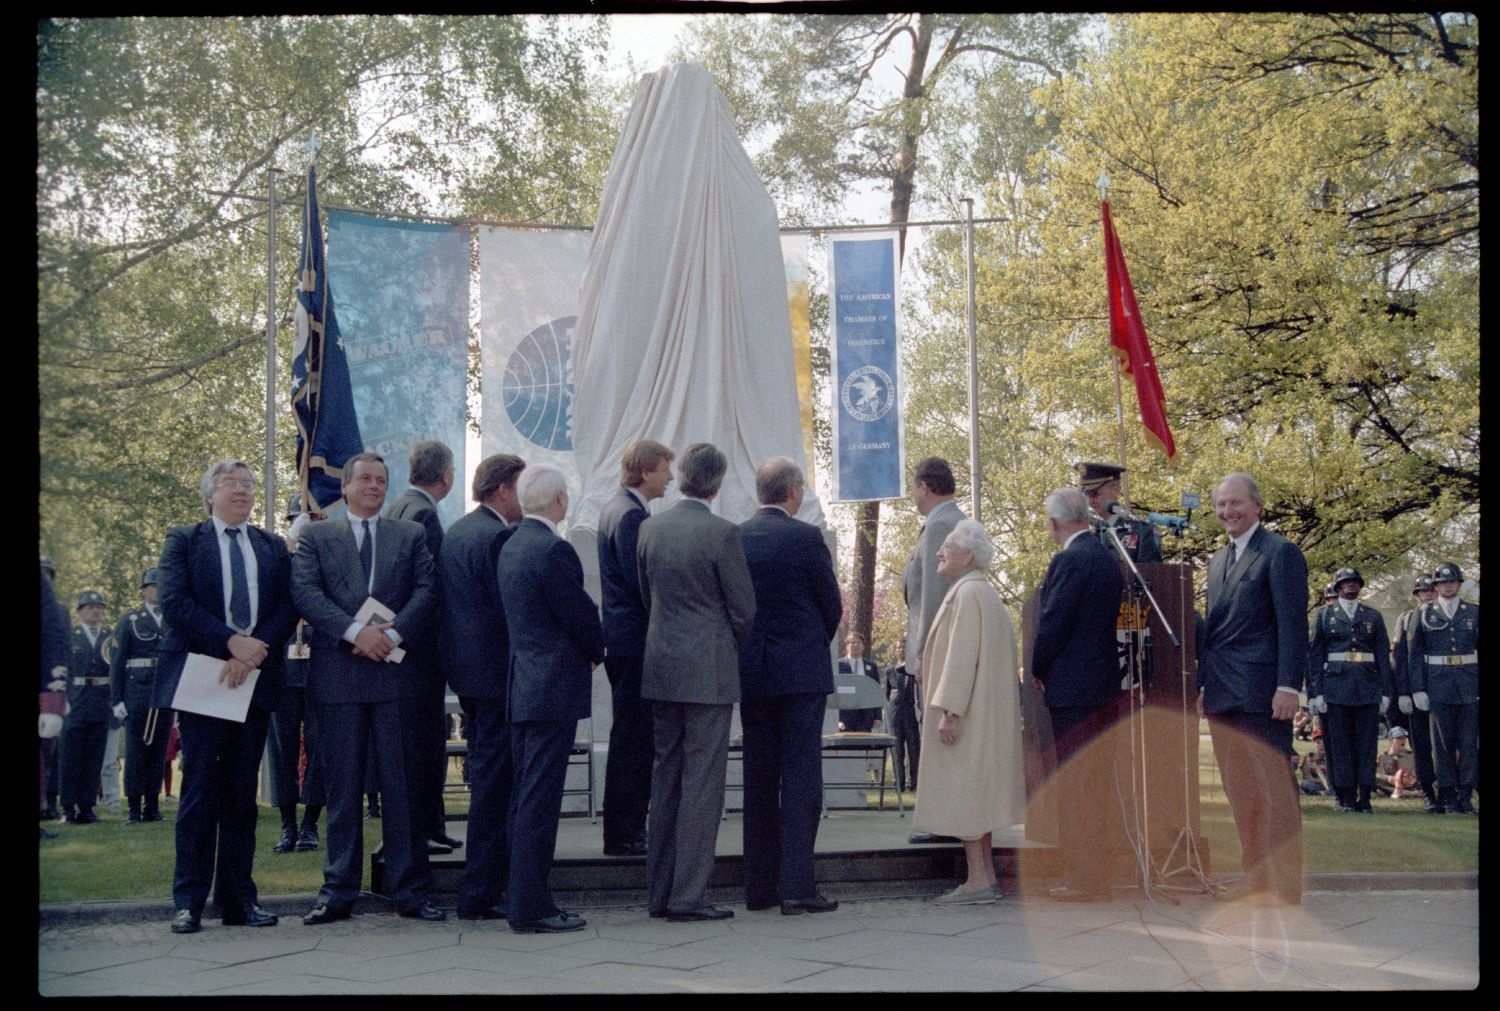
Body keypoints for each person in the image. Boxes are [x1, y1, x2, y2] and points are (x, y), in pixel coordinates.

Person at [292, 452, 444, 924]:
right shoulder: (316, 536)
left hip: (396, 678)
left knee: (402, 790)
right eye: (366, 480)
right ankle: (337, 890)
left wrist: (392, 634)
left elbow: (427, 589)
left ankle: (409, 890)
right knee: (342, 791)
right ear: (346, 487)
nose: (375, 487)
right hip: (339, 678)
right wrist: (357, 633)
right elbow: (306, 593)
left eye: (382, 480)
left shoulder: (411, 534)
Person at [155, 459, 296, 933]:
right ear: (209, 495)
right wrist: (229, 642)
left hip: (252, 680)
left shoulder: (271, 546)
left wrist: (253, 652)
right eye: (230, 484)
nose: (241, 491)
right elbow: (175, 603)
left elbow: (287, 606)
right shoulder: (184, 541)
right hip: (203, 680)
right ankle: (188, 902)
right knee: (198, 793)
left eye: (249, 484)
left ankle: (239, 900)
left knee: (241, 797)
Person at [638, 442, 756, 922]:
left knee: (665, 779)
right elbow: (744, 609)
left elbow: (646, 595)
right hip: (708, 670)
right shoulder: (723, 533)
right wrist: (721, 641)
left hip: (662, 665)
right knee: (703, 783)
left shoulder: (649, 527)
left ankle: (659, 892)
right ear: (718, 480)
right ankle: (689, 895)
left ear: (682, 475)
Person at [496, 463, 603, 934]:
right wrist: (597, 650)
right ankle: (531, 905)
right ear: (559, 500)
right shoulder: (553, 550)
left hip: (524, 684)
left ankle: (523, 897)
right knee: (540, 800)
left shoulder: (511, 544)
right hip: (552, 687)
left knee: (526, 797)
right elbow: (578, 613)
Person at [1198, 472, 1309, 906]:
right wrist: (1205, 684)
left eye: (1236, 502)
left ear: (1257, 506)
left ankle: (1285, 885)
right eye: (1221, 504)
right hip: (1224, 694)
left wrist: (1288, 686)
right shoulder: (1217, 561)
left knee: (1275, 791)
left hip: (1264, 695)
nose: (1228, 511)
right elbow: (1215, 634)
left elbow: (1291, 625)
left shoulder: (1280, 553)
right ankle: (1255, 879)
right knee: (1241, 795)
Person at [738, 458, 843, 915]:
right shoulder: (805, 537)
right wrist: (808, 641)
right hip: (800, 672)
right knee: (801, 776)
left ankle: (759, 887)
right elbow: (831, 604)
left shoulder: (737, 536)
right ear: (794, 492)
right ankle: (797, 887)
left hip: (754, 671)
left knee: (758, 776)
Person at [912, 519, 1026, 904]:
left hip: (967, 716)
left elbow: (962, 659)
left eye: (948, 547)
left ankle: (978, 880)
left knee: (965, 795)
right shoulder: (983, 594)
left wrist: (950, 711)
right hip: (981, 715)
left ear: (969, 556)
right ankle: (985, 875)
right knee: (977, 797)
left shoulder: (967, 595)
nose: (940, 552)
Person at [439, 453, 525, 921]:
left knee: (488, 779)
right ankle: (481, 890)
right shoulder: (496, 536)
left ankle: (484, 886)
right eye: (521, 488)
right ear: (502, 490)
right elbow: (505, 609)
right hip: (495, 678)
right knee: (494, 785)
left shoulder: (459, 529)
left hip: (471, 675)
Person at [1031, 486, 1125, 902]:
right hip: (1104, 685)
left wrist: (1036, 668)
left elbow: (1053, 622)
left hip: (1071, 688)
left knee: (1074, 784)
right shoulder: (1108, 559)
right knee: (1097, 782)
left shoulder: (1068, 560)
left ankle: (1080, 876)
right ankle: (1097, 874)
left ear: (1054, 522)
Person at [383, 440, 462, 855]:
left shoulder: (396, 508)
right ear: (446, 476)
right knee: (424, 743)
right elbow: (429, 589)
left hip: (401, 646)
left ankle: (431, 824)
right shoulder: (424, 516)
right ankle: (424, 828)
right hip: (419, 650)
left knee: (421, 743)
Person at [596, 439, 674, 858]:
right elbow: (639, 584)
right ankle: (625, 832)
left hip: (624, 642)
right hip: (634, 644)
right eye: (664, 468)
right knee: (634, 740)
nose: (671, 477)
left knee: (631, 735)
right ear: (645, 471)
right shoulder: (630, 516)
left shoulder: (618, 509)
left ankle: (624, 828)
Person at [904, 456, 966, 845]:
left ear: (925, 487)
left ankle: (945, 820)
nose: (912, 496)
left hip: (935, 648)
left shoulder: (942, 524)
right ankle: (945, 817)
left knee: (938, 737)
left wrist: (925, 651)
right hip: (937, 647)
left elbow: (932, 595)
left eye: (914, 488)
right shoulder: (945, 522)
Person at [1307, 567, 1392, 813]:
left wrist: (1385, 691)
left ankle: (1364, 796)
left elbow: (1382, 657)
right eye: (1346, 583)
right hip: (1335, 686)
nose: (1351, 586)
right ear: (1337, 587)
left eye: (1355, 582)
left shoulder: (1373, 616)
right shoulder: (1324, 616)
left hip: (1366, 686)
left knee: (1366, 744)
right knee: (1339, 744)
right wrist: (1316, 693)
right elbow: (1315, 656)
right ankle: (1343, 796)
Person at [267, 496, 325, 854]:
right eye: (299, 519)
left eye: (313, 518)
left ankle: (310, 824)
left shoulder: (328, 556)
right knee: (282, 748)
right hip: (285, 666)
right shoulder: (279, 560)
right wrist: (290, 550)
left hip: (320, 663)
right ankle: (287, 824)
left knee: (320, 748)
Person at [1407, 562, 1479, 815]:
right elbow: (1414, 656)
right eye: (1442, 582)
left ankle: (1466, 794)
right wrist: (1418, 689)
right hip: (1437, 684)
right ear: (1436, 586)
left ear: (1459, 583)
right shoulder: (1424, 613)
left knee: (1469, 742)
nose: (1447, 586)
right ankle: (1447, 794)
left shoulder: (1473, 612)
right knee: (1442, 744)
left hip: (1468, 684)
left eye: (1451, 581)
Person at [108, 568, 170, 824]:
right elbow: (116, 663)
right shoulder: (129, 619)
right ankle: (134, 807)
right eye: (152, 586)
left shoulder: (172, 618)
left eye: (160, 585)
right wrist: (117, 700)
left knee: (158, 750)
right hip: (137, 692)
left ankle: (152, 806)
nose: (156, 590)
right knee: (136, 751)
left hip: (164, 690)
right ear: (143, 590)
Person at [1391, 576, 1442, 812]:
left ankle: (1449, 790)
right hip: (1415, 691)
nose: (1429, 595)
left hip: (1443, 689)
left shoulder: (1446, 618)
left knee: (1446, 744)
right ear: (1416, 595)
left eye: (1432, 591)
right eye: (1424, 592)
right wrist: (1403, 692)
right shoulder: (1406, 619)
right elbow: (1400, 660)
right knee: (1421, 745)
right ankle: (1429, 792)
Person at [61, 590, 112, 825]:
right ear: (79, 611)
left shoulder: (111, 637)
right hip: (76, 700)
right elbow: (62, 670)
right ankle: (69, 808)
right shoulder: (70, 635)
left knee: (94, 757)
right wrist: (64, 700)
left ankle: (88, 807)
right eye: (90, 607)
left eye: (99, 607)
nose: (95, 610)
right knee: (71, 756)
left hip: (100, 701)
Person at [1074, 461, 1162, 563]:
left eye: (1094, 494)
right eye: (1086, 494)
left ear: (1116, 490)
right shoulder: (1087, 533)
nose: (1090, 501)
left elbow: (1152, 574)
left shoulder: (1142, 530)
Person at [882, 639, 921, 793]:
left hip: (911, 715)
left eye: (903, 647)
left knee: (914, 750)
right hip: (895, 715)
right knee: (898, 752)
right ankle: (899, 783)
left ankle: (915, 783)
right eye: (898, 647)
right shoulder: (889, 671)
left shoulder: (913, 670)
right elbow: (885, 694)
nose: (901, 650)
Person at [836, 633, 883, 733]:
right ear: (847, 646)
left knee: (864, 745)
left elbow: (876, 692)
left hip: (866, 717)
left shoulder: (871, 667)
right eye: (852, 642)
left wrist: (877, 716)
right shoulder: (838, 665)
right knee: (846, 746)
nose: (856, 645)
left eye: (858, 642)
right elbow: (835, 692)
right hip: (845, 717)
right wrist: (836, 718)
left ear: (863, 646)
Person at [1376, 726, 1418, 799]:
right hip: (1389, 784)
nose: (1403, 741)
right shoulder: (1383, 756)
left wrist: (1410, 779)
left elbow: (1417, 773)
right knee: (1373, 782)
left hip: (1408, 785)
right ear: (1391, 740)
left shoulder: (1411, 756)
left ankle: (1396, 793)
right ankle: (1406, 793)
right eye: (1399, 738)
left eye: (1404, 738)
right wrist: (1388, 778)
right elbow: (1376, 773)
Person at [1297, 728, 1332, 796]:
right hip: (1317, 784)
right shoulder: (1309, 757)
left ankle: (1323, 792)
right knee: (1305, 783)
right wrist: (1321, 780)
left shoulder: (1331, 756)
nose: (1321, 745)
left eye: (1324, 742)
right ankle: (1323, 792)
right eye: (1318, 742)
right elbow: (1307, 777)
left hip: (1330, 783)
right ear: (1313, 744)